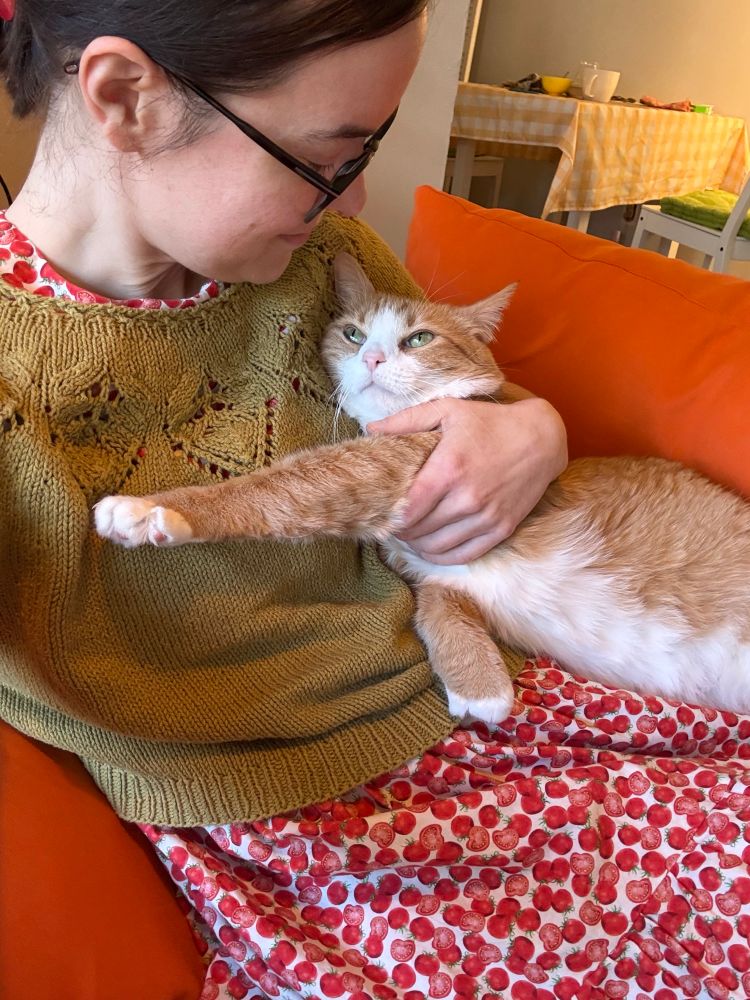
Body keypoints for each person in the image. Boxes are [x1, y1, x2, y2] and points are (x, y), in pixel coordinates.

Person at [0, 2, 575, 997]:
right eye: (324, 158)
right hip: (305, 820)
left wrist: (534, 429)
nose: (348, 193)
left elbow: (478, 390)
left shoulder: (322, 270)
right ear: (127, 98)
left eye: (367, 151)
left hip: (475, 693)